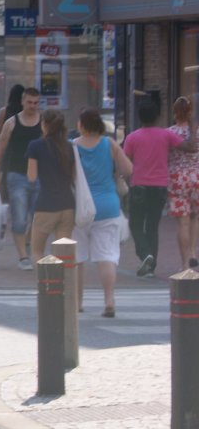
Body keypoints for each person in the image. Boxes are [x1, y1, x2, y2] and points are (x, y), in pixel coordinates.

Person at [124, 97, 197, 277]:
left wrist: (126, 182)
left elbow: (125, 162)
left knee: (135, 224)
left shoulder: (132, 137)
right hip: (160, 186)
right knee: (152, 226)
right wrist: (192, 127)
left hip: (140, 185)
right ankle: (153, 263)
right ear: (157, 116)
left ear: (139, 117)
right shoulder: (166, 135)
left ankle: (145, 254)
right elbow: (189, 147)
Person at [74, 108, 134, 318]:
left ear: (81, 125)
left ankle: (77, 302)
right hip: (108, 206)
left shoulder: (74, 146)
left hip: (81, 207)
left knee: (77, 257)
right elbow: (128, 169)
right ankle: (109, 301)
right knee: (106, 255)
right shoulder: (109, 144)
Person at [0, 86, 44, 269]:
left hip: (40, 175)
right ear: (22, 101)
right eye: (29, 102)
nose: (32, 106)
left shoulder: (44, 122)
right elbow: (0, 150)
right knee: (20, 217)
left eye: (36, 103)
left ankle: (28, 243)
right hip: (16, 175)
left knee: (38, 217)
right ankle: (23, 256)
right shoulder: (11, 123)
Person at [25, 109, 77, 264]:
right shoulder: (70, 147)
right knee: (64, 254)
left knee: (37, 251)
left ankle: (45, 286)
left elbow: (32, 177)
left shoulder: (35, 146)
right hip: (68, 204)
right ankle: (65, 286)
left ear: (45, 125)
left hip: (46, 204)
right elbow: (74, 176)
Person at [169, 96, 199, 270]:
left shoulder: (170, 132)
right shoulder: (196, 131)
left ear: (174, 112)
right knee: (196, 217)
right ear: (190, 112)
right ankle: (194, 252)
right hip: (196, 177)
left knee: (183, 222)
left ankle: (185, 263)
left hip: (177, 179)